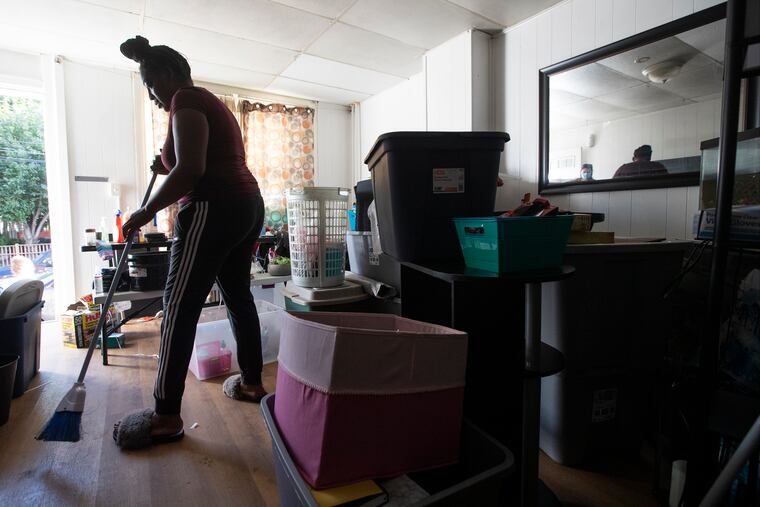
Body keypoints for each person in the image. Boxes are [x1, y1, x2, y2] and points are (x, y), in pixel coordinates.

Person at [113, 36, 267, 449]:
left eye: (151, 87)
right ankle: (252, 383)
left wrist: (144, 214)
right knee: (237, 296)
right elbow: (191, 158)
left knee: (179, 307)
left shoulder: (185, 100)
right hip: (246, 204)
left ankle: (164, 417)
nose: (154, 99)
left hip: (212, 208)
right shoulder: (207, 102)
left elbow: (191, 171)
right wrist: (163, 162)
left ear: (164, 75)